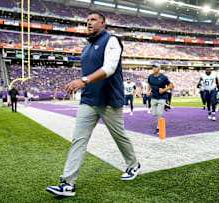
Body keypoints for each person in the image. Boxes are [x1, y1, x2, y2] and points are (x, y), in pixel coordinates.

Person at [46, 11, 140, 197]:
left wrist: (84, 81)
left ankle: (133, 165)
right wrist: (84, 83)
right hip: (89, 99)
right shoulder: (86, 46)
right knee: (78, 140)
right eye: (87, 20)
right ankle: (68, 183)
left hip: (108, 99)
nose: (89, 23)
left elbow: (110, 68)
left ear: (103, 23)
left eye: (93, 20)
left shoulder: (112, 40)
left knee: (119, 135)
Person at [146, 63, 174, 134]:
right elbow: (149, 84)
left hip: (162, 97)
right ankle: (165, 106)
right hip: (154, 97)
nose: (154, 68)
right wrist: (147, 91)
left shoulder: (163, 77)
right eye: (153, 67)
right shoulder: (150, 77)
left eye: (156, 67)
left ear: (159, 68)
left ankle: (159, 128)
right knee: (154, 114)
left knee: (159, 113)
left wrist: (164, 90)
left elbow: (171, 85)